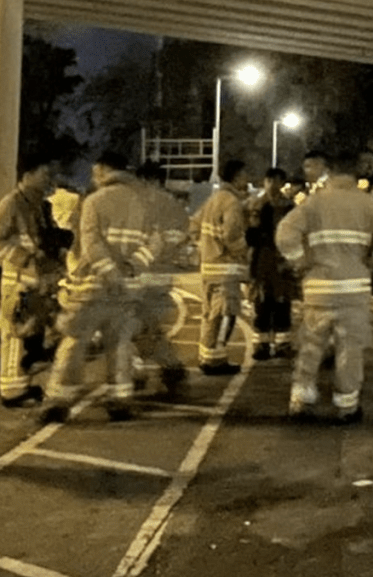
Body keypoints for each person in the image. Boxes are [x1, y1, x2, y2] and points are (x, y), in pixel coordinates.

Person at [276, 150, 373, 422]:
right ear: (355, 174)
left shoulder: (314, 202)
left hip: (318, 286)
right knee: (350, 348)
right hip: (354, 288)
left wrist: (300, 261)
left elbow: (285, 234)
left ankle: (301, 399)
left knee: (311, 345)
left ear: (329, 173)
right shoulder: (368, 203)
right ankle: (346, 406)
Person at [42, 151, 153, 423]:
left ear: (103, 169)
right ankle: (120, 399)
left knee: (74, 340)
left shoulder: (94, 201)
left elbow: (92, 244)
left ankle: (59, 399)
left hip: (94, 287)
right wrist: (131, 268)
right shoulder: (143, 202)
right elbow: (155, 243)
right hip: (127, 289)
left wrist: (110, 273)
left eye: (95, 171)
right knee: (120, 343)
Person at [0, 153, 68, 407]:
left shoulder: (41, 205)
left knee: (30, 334)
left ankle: (21, 383)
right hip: (17, 281)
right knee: (14, 335)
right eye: (44, 174)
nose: (49, 179)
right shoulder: (11, 204)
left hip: (37, 281)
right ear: (27, 175)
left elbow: (43, 238)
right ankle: (11, 391)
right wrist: (25, 257)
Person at [133, 160, 190, 393]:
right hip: (161, 274)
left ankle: (148, 369)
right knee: (147, 325)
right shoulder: (172, 205)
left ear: (149, 180)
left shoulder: (142, 203)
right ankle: (169, 367)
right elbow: (180, 237)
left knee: (134, 325)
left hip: (144, 273)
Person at [194, 158, 250, 376]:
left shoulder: (213, 199)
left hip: (209, 266)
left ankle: (206, 355)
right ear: (237, 177)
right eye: (244, 175)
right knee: (225, 314)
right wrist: (245, 250)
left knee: (210, 314)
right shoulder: (231, 202)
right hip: (225, 269)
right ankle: (215, 359)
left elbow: (194, 225)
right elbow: (232, 236)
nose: (247, 180)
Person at [246, 167, 299, 361]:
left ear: (282, 183)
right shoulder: (256, 204)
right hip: (263, 258)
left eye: (277, 181)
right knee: (262, 303)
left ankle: (282, 344)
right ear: (265, 182)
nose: (273, 186)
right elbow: (250, 235)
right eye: (269, 181)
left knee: (283, 302)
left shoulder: (289, 206)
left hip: (283, 260)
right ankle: (261, 344)